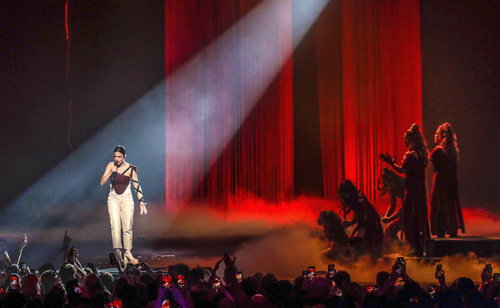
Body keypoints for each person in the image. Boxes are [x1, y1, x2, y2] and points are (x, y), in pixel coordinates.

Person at [379, 124, 430, 256]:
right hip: (419, 190)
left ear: (411, 139)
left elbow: (402, 170)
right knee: (418, 219)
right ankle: (418, 249)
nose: (405, 142)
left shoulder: (412, 155)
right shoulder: (420, 154)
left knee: (410, 221)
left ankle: (413, 250)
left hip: (412, 192)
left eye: (406, 139)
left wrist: (391, 162)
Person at [100, 145, 147, 266]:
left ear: (124, 156)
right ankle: (118, 253)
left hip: (127, 199)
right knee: (115, 225)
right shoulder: (111, 165)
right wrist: (110, 172)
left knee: (127, 227)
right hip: (113, 198)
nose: (117, 159)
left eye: (119, 157)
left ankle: (128, 253)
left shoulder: (131, 169)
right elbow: (102, 182)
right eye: (115, 156)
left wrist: (141, 201)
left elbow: (136, 185)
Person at [429, 123, 465, 238]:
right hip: (450, 183)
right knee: (449, 207)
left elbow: (427, 163)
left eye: (437, 134)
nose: (435, 136)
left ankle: (441, 232)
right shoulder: (452, 151)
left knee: (439, 208)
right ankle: (451, 231)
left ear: (442, 136)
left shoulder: (437, 152)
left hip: (440, 183)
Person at [337, 180, 384, 258]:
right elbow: (360, 220)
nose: (342, 198)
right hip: (367, 224)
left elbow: (362, 221)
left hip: (372, 224)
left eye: (343, 195)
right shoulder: (354, 199)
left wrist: (351, 224)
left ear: (347, 193)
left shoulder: (360, 201)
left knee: (370, 249)